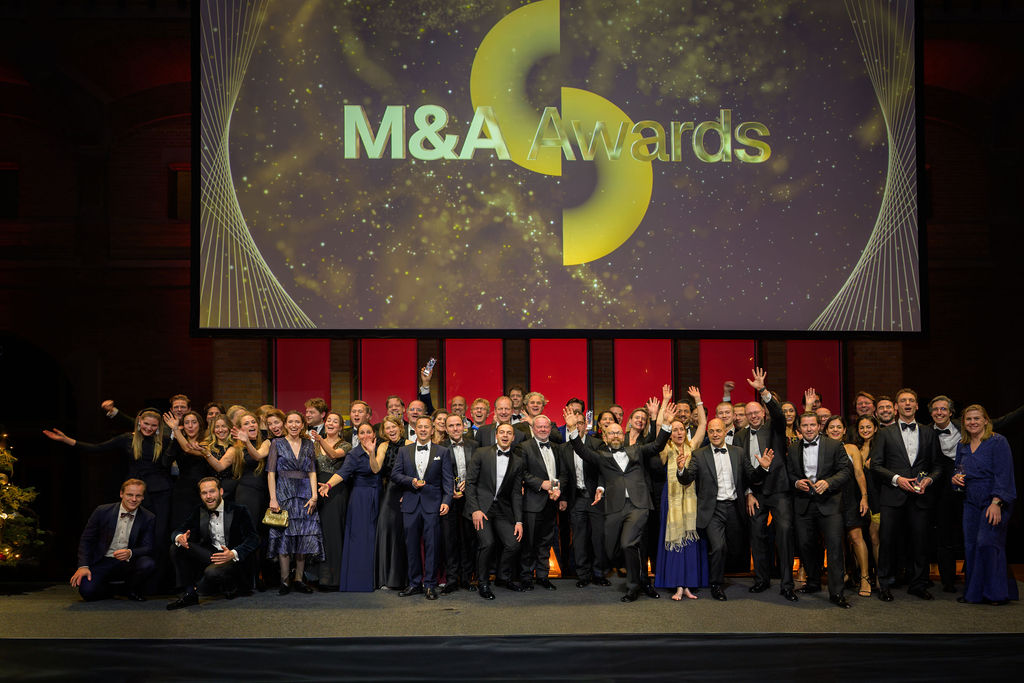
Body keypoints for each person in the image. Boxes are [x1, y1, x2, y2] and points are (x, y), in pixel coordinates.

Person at [45, 409, 174, 590]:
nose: (149, 428)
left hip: (160, 492)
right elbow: (97, 448)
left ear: (158, 427)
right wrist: (67, 440)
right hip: (136, 492)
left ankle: (155, 585)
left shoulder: (165, 441)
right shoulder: (127, 439)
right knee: (132, 534)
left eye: (153, 425)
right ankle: (129, 580)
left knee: (158, 538)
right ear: (139, 421)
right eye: (146, 424)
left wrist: (177, 431)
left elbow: (182, 454)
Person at [563, 400, 673, 602]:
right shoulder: (601, 456)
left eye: (618, 433)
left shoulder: (636, 451)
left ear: (623, 435)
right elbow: (581, 450)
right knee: (612, 548)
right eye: (611, 433)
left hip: (638, 505)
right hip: (614, 508)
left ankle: (634, 587)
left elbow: (657, 445)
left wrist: (666, 424)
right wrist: (572, 429)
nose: (615, 436)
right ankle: (639, 578)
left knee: (628, 543)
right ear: (604, 437)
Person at [677, 416, 770, 602]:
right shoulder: (699, 454)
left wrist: (763, 468)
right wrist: (681, 470)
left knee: (734, 547)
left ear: (725, 432)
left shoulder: (738, 452)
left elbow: (752, 476)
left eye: (718, 431)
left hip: (735, 506)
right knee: (718, 547)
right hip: (713, 509)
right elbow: (687, 479)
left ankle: (735, 575)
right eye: (711, 431)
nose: (715, 434)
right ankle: (716, 584)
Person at [870, 388, 944, 601]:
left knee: (920, 542)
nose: (908, 404)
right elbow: (875, 465)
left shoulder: (929, 432)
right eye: (903, 401)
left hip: (920, 497)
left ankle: (918, 584)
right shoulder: (885, 433)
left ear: (917, 406)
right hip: (892, 496)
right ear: (896, 407)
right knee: (887, 542)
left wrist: (930, 479)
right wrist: (897, 479)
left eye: (911, 400)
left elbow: (938, 466)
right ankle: (884, 585)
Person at [736, 369, 799, 602]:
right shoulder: (740, 436)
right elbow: (741, 468)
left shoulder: (775, 427)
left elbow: (779, 413)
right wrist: (748, 492)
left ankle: (787, 584)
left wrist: (763, 390)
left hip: (779, 490)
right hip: (756, 492)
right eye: (749, 413)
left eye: (756, 412)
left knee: (784, 534)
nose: (753, 416)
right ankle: (761, 580)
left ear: (763, 412)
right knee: (757, 536)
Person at [953, 404, 1018, 605]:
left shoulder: (998, 442)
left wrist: (997, 502)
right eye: (968, 419)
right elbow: (958, 470)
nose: (972, 422)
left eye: (977, 418)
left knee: (988, 543)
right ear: (963, 423)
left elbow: (1004, 474)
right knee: (971, 546)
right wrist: (954, 479)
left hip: (994, 500)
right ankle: (974, 593)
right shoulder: (962, 445)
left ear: (985, 421)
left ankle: (995, 594)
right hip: (970, 501)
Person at [787, 413, 853, 609]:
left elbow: (846, 470)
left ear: (819, 426)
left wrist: (829, 482)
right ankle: (813, 582)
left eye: (812, 425)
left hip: (829, 503)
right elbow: (789, 473)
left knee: (834, 548)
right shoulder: (793, 448)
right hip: (803, 503)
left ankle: (837, 593)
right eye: (805, 425)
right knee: (806, 545)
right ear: (799, 428)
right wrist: (796, 483)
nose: (809, 429)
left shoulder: (834, 445)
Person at [166, 477, 261, 609]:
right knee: (176, 547)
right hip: (211, 554)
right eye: (204, 493)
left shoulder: (239, 510)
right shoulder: (199, 510)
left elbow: (253, 539)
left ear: (221, 491)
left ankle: (231, 586)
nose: (208, 496)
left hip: (233, 557)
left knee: (211, 573)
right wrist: (179, 536)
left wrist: (233, 553)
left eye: (212, 491)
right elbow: (179, 530)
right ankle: (190, 594)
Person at [391, 416, 454, 600]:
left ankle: (430, 585)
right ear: (415, 430)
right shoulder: (404, 451)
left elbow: (448, 480)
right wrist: (411, 481)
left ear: (432, 430)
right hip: (410, 504)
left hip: (433, 504)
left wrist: (446, 500)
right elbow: (395, 474)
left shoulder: (442, 451)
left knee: (432, 546)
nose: (424, 430)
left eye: (427, 427)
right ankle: (414, 583)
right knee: (411, 546)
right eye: (420, 427)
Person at [655, 387, 708, 601]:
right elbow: (658, 426)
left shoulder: (692, 447)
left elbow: (702, 425)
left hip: (691, 502)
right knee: (675, 539)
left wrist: (698, 400)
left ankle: (687, 585)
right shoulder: (665, 449)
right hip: (671, 500)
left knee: (689, 541)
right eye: (674, 429)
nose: (678, 432)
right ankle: (677, 585)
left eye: (681, 429)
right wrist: (665, 401)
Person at [319, 422, 384, 592]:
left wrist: (371, 452)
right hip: (361, 498)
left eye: (368, 432)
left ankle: (378, 579)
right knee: (361, 537)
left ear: (374, 434)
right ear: (358, 436)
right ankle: (359, 580)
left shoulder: (381, 449)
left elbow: (376, 469)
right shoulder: (354, 454)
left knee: (376, 537)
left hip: (378, 496)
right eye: (362, 433)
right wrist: (329, 485)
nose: (365, 435)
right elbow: (343, 472)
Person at [465, 422, 525, 599]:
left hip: (502, 510)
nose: (505, 435)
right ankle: (483, 583)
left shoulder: (518, 461)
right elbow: (470, 483)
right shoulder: (481, 453)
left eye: (509, 433)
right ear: (496, 435)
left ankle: (502, 577)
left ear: (513, 437)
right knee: (488, 543)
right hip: (481, 508)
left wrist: (519, 521)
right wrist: (475, 510)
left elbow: (516, 493)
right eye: (502, 432)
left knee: (513, 543)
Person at [266, 411, 324, 595]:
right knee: (285, 536)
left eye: (297, 422)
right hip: (284, 493)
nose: (293, 425)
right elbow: (271, 473)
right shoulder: (277, 443)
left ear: (302, 425)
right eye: (290, 421)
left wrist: (314, 496)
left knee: (303, 537)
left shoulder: (308, 444)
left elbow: (312, 472)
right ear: (285, 424)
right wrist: (273, 498)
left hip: (305, 494)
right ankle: (284, 581)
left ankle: (299, 579)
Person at [71, 479, 156, 602]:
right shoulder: (102, 511)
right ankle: (115, 590)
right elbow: (86, 540)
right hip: (103, 560)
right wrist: (83, 566)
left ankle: (131, 589)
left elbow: (148, 547)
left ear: (143, 497)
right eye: (129, 495)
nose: (133, 499)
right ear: (121, 494)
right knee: (87, 592)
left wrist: (130, 552)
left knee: (147, 563)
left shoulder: (148, 517)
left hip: (128, 562)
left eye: (138, 496)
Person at [562, 402, 611, 588]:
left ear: (585, 425)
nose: (578, 426)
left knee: (598, 538)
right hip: (576, 499)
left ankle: (599, 574)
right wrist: (563, 497)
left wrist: (601, 488)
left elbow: (603, 470)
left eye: (580, 423)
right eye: (574, 423)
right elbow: (564, 475)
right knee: (579, 539)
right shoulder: (564, 448)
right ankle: (582, 575)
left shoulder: (597, 444)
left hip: (595, 498)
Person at [518, 415, 568, 590]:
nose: (543, 429)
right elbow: (522, 472)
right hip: (532, 502)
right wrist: (542, 484)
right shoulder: (524, 447)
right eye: (539, 427)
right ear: (533, 428)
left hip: (552, 501)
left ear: (550, 428)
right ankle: (526, 577)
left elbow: (562, 473)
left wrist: (558, 491)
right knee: (529, 542)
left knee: (546, 542)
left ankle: (542, 576)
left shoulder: (557, 448)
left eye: (546, 426)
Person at [823, 416, 871, 598]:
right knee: (837, 540)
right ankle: (842, 574)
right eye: (831, 427)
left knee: (856, 536)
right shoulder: (822, 449)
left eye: (839, 427)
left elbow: (859, 473)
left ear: (844, 431)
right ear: (826, 431)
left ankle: (865, 577)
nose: (835, 430)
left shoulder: (851, 448)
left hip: (851, 497)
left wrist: (864, 497)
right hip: (830, 499)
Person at [310, 412, 350, 589]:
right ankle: (316, 576)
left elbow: (333, 455)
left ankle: (333, 578)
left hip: (335, 490)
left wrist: (319, 439)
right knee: (317, 532)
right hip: (316, 490)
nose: (331, 423)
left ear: (341, 427)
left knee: (332, 533)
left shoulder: (345, 445)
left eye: (335, 421)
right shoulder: (314, 444)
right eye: (329, 421)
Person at [928, 395, 963, 593]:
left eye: (943, 409)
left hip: (967, 488)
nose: (939, 412)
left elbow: (1001, 421)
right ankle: (947, 581)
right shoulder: (926, 432)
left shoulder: (964, 426)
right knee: (944, 535)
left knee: (968, 533)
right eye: (935, 409)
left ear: (951, 412)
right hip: (940, 492)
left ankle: (974, 577)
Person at [439, 413, 478, 593]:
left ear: (463, 427)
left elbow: (479, 470)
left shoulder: (474, 445)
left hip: (470, 499)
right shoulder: (439, 447)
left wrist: (467, 484)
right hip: (449, 499)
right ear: (446, 429)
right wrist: (450, 490)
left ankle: (466, 578)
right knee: (450, 540)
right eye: (451, 426)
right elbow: (437, 474)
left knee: (468, 539)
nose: (455, 428)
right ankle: (452, 579)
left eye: (458, 425)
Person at [373, 416, 409, 590]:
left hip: (407, 491)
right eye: (387, 428)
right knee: (386, 530)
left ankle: (403, 579)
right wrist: (371, 453)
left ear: (400, 427)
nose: (391, 430)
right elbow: (376, 468)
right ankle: (386, 578)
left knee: (403, 533)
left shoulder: (410, 444)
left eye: (393, 426)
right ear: (384, 431)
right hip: (389, 492)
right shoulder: (383, 446)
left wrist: (409, 492)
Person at [165, 410, 213, 529]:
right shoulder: (178, 441)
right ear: (183, 426)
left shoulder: (208, 442)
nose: (190, 426)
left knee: (201, 526)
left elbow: (188, 449)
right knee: (181, 525)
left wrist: (176, 430)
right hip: (183, 490)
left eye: (194, 422)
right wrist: (174, 439)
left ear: (200, 424)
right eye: (187, 423)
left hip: (204, 489)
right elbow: (165, 462)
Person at [855, 415, 881, 568]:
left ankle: (880, 575)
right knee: (860, 538)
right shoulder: (855, 448)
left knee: (875, 537)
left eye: (868, 427)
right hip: (858, 498)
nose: (865, 430)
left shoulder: (881, 447)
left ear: (875, 428)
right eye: (862, 427)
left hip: (877, 497)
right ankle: (864, 574)